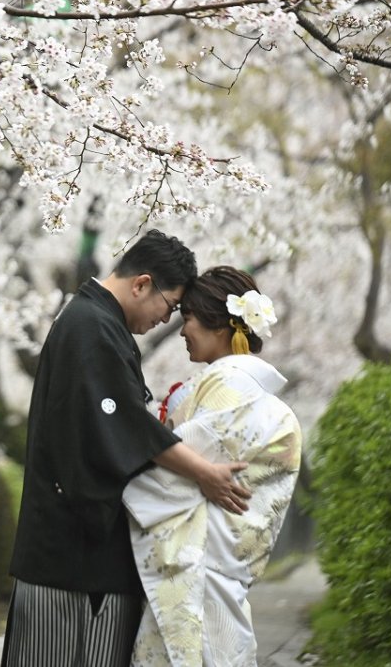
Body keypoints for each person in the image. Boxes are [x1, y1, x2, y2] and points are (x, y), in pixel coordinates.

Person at [1, 232, 253, 667]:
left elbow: (121, 422)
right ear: (141, 284)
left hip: (78, 551)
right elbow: (122, 424)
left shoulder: (97, 323)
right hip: (72, 557)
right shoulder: (91, 326)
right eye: (169, 306)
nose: (167, 321)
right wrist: (202, 471)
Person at [123, 266, 302, 667]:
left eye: (187, 317)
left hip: (201, 563)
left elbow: (166, 464)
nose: (180, 329)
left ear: (220, 324)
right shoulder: (233, 384)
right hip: (212, 563)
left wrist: (134, 434)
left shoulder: (233, 386)